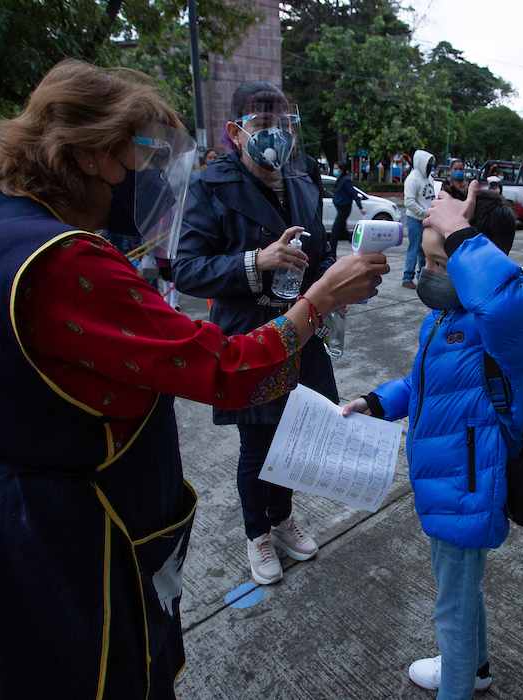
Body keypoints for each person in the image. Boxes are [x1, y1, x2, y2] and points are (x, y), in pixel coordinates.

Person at [0, 61, 386, 700]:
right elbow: (221, 369)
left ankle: (280, 520)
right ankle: (262, 530)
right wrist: (318, 303)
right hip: (59, 530)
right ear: (88, 155)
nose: (139, 182)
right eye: (134, 159)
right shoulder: (63, 261)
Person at [342, 181, 523, 698]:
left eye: (439, 263)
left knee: (451, 607)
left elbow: (503, 305)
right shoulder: (447, 317)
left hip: (469, 485)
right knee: (462, 593)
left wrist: (459, 233)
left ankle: (459, 683)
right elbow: (424, 382)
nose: (427, 273)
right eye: (425, 261)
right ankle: (476, 668)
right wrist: (377, 401)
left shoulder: (511, 322)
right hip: (446, 478)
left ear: (475, 257)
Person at [174, 82, 351, 586]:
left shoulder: (301, 182)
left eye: (284, 123)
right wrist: (257, 261)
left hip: (303, 328)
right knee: (259, 443)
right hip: (249, 335)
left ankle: (282, 517)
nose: (275, 134)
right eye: (261, 123)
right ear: (235, 132)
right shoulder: (212, 186)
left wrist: (340, 280)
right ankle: (257, 533)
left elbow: (319, 252)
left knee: (298, 435)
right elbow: (187, 269)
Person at [402, 149, 437, 289]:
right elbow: (408, 202)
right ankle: (407, 277)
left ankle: (422, 277)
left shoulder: (429, 178)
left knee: (425, 250)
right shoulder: (412, 179)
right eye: (428, 163)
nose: (430, 166)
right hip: (415, 220)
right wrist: (424, 213)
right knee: (414, 248)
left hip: (427, 219)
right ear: (421, 163)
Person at [329, 161, 365, 253]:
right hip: (340, 208)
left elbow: (354, 194)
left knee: (335, 232)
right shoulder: (340, 179)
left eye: (337, 168)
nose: (335, 170)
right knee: (343, 232)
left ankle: (332, 253)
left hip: (344, 209)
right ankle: (360, 246)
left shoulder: (346, 180)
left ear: (341, 169)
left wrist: (360, 207)